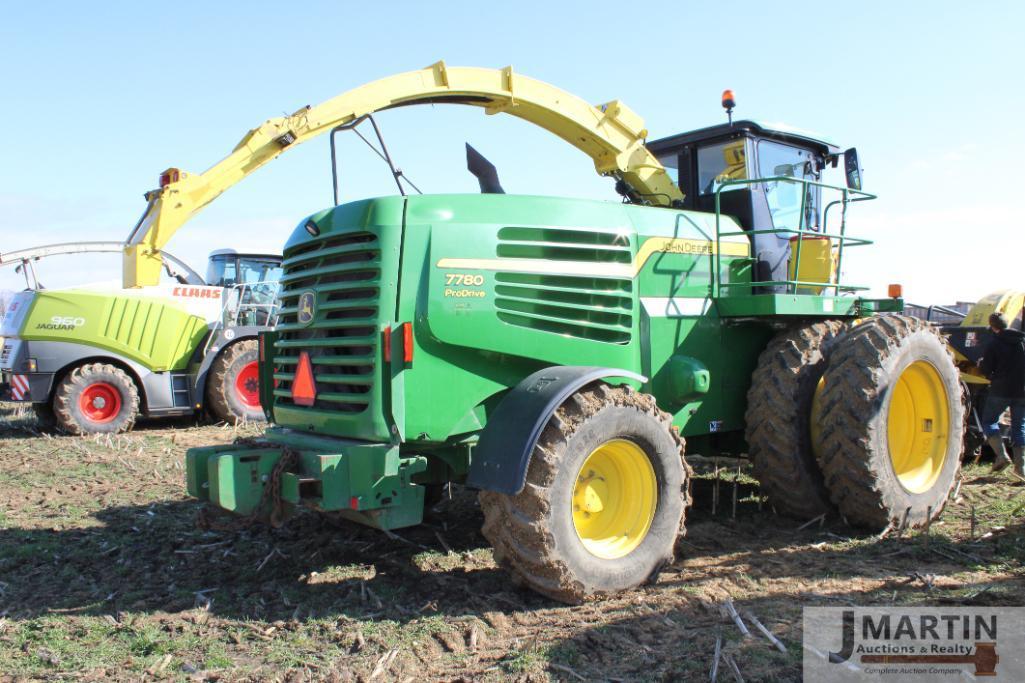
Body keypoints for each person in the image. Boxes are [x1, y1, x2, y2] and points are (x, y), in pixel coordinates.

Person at [979, 311, 1025, 476]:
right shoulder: (1022, 340)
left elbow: (986, 369)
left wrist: (981, 365)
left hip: (1000, 390)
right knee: (1019, 427)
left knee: (989, 422)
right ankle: (1021, 468)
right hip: (1022, 392)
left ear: (993, 327)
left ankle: (1002, 456)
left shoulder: (994, 343)